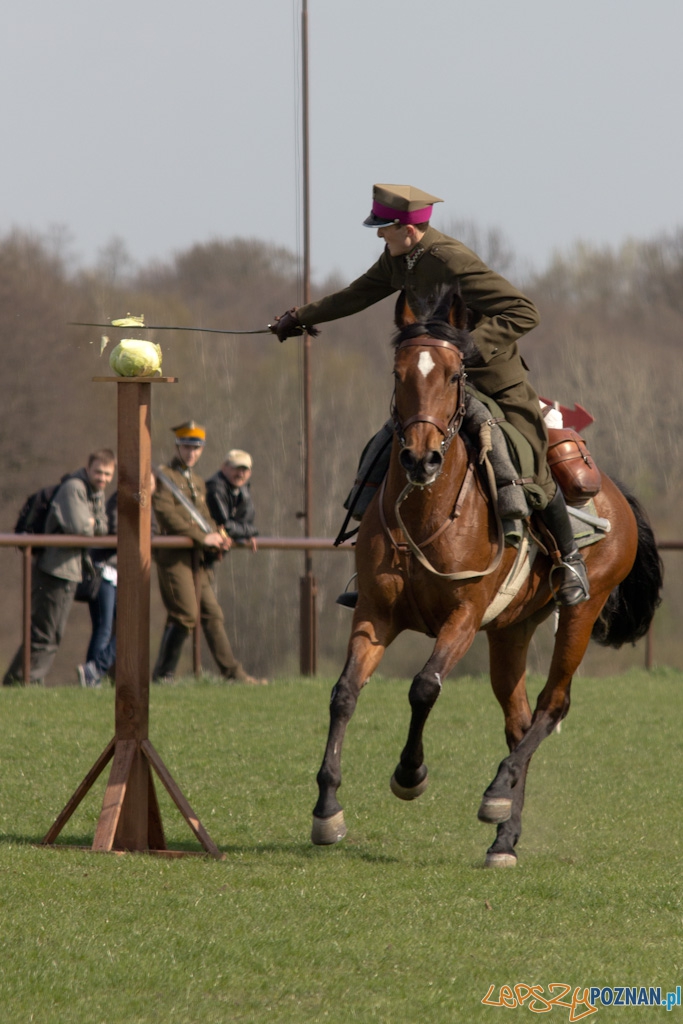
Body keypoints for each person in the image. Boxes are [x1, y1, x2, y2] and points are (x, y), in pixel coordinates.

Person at [271, 183, 589, 607]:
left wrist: (467, 348)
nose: (379, 235)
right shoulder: (399, 259)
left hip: (492, 376)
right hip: (437, 381)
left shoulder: (449, 259)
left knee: (530, 459)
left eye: (385, 228)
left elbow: (523, 309)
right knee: (388, 442)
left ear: (409, 229)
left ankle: (570, 563)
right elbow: (356, 295)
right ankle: (369, 567)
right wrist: (298, 318)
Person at [152, 421, 266, 685]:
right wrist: (204, 536)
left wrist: (223, 535)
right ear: (177, 446)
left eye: (196, 448)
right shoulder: (165, 476)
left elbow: (204, 517)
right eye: (187, 447)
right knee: (185, 616)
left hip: (197, 559)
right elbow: (166, 515)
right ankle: (163, 675)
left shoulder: (197, 481)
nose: (191, 453)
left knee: (213, 615)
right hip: (174, 558)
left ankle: (233, 674)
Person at [3, 449, 116, 686]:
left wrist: (92, 522)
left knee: (51, 633)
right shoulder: (74, 488)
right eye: (98, 472)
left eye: (107, 474)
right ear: (88, 468)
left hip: (69, 570)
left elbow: (103, 527)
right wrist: (92, 523)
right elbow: (79, 527)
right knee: (45, 632)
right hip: (54, 570)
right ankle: (23, 681)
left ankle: (23, 680)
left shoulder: (95, 492)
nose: (102, 478)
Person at [76, 489, 118, 688]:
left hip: (118, 573)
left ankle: (93, 672)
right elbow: (117, 528)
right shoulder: (121, 499)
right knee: (104, 626)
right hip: (104, 571)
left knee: (121, 627)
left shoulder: (146, 503)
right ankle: (94, 673)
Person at [205, 449, 259, 552]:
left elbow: (246, 522)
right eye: (236, 468)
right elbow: (225, 526)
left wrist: (248, 533)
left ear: (250, 473)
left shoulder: (243, 490)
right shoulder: (215, 489)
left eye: (244, 470)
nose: (240, 474)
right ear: (224, 468)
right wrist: (251, 532)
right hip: (201, 551)